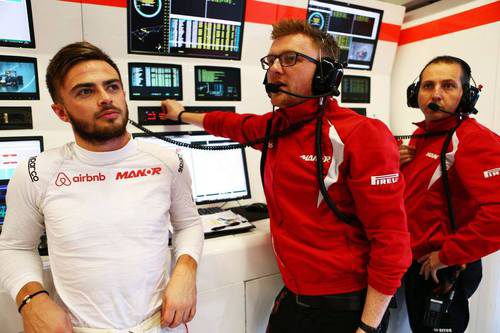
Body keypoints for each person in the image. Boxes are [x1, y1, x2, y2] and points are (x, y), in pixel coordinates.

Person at [161, 19, 411, 333]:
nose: (275, 69)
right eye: (271, 60)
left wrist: (369, 327)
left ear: (325, 74)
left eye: (290, 59)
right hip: (296, 297)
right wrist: (181, 114)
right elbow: (230, 124)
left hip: (348, 308)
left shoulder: (362, 134)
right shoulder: (277, 127)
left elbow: (392, 241)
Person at [0, 42, 203, 333]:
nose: (105, 98)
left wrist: (186, 270)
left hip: (160, 325)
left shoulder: (167, 161)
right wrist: (31, 299)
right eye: (86, 91)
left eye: (112, 87)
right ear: (61, 112)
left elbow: (188, 224)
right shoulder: (37, 172)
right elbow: (15, 247)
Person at [400, 56, 500, 333]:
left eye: (448, 86)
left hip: (442, 267)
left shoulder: (473, 139)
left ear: (466, 95)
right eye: (428, 85)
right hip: (418, 264)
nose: (436, 94)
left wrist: (447, 255)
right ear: (415, 93)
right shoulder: (422, 137)